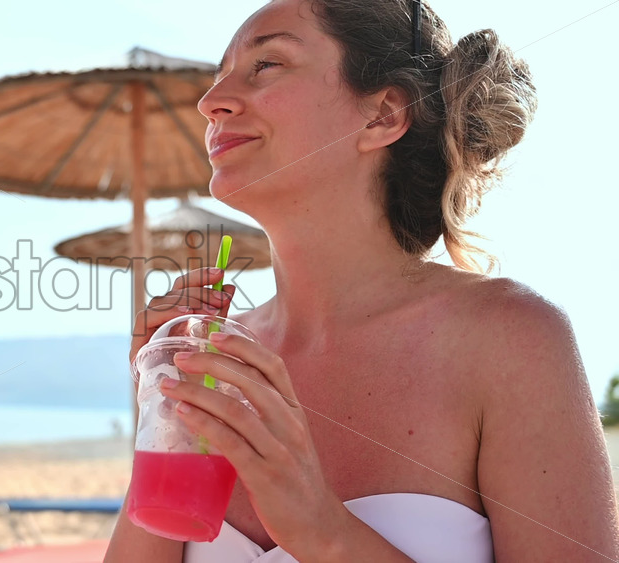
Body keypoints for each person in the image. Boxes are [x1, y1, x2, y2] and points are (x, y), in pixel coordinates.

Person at [105, 0, 619, 561]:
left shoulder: (510, 338)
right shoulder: (211, 358)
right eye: (219, 76)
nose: (210, 101)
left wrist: (325, 532)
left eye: (267, 64)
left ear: (383, 116)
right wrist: (162, 418)